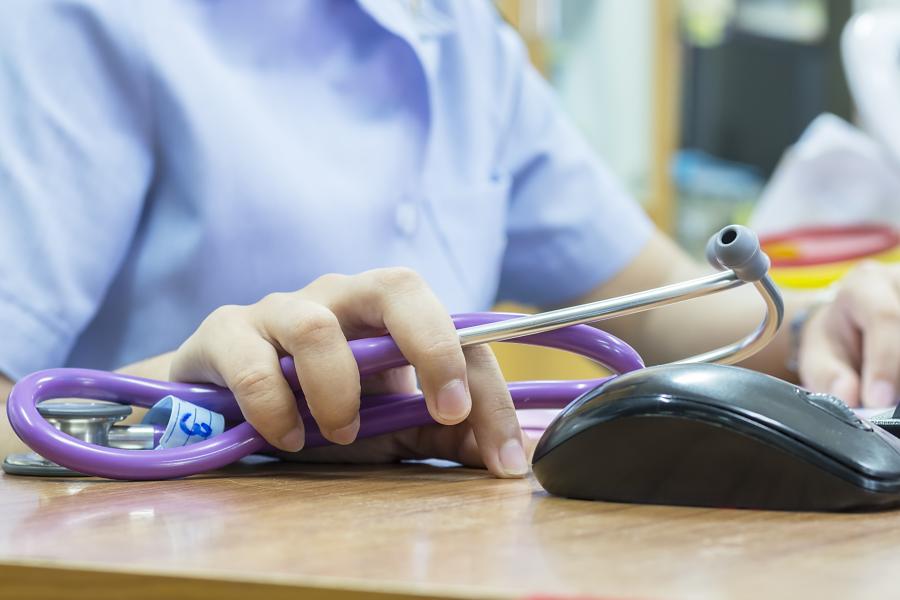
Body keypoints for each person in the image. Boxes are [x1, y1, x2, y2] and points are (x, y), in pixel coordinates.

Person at [1, 0, 898, 479]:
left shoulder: (463, 33)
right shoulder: (80, 19)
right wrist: (200, 406)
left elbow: (677, 309)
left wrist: (828, 328)